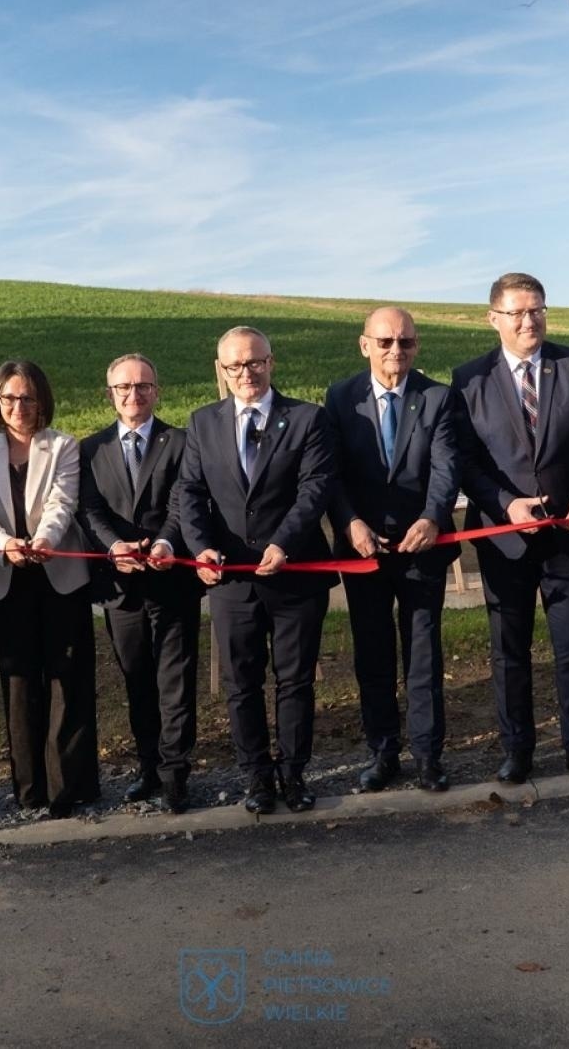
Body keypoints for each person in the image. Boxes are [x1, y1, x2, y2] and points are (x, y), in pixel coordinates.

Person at [452, 272, 569, 783]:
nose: (530, 321)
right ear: (494, 319)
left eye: (538, 309)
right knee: (509, 651)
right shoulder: (468, 380)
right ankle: (517, 749)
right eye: (518, 312)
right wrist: (506, 505)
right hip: (505, 540)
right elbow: (467, 462)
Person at [174, 326, 337, 814]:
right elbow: (190, 492)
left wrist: (283, 542)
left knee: (295, 680)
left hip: (295, 575)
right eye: (235, 366)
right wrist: (200, 547)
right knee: (241, 683)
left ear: (272, 361)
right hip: (231, 581)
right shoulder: (202, 423)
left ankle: (293, 774)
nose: (246, 373)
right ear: (221, 370)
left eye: (255, 362)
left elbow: (315, 488)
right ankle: (256, 779)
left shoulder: (308, 419)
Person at [324, 306, 460, 793]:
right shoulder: (339, 399)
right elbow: (332, 474)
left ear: (416, 346)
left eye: (404, 342)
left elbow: (446, 469)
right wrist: (350, 522)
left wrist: (432, 518)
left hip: (422, 548)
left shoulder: (438, 398)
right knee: (373, 656)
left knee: (423, 656)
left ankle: (427, 756)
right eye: (385, 342)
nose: (395, 351)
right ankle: (383, 753)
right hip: (364, 553)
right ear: (365, 346)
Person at [0, 361, 99, 817]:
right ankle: (29, 788)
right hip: (7, 579)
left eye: (28, 398)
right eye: (9, 398)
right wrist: (4, 544)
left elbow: (64, 501)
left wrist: (43, 539)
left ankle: (72, 786)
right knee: (20, 684)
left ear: (42, 400)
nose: (18, 407)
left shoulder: (63, 445)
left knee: (69, 679)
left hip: (58, 574)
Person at [78, 354, 200, 813]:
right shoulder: (90, 450)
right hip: (121, 587)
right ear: (109, 394)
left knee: (176, 680)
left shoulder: (184, 443)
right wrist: (114, 547)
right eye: (124, 387)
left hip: (172, 580)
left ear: (157, 389)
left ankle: (176, 772)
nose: (134, 394)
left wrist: (167, 542)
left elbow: (182, 501)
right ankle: (147, 766)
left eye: (143, 386)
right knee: (136, 680)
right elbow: (89, 510)